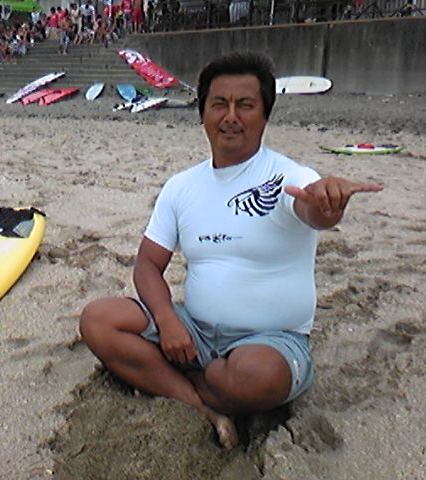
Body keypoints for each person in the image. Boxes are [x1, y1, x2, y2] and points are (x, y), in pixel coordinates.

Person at [79, 52, 383, 449]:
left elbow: (313, 210)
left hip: (271, 340)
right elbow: (148, 265)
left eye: (246, 105)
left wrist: (329, 203)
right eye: (219, 104)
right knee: (99, 319)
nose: (231, 116)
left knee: (257, 376)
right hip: (194, 332)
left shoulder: (289, 177)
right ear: (203, 113)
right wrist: (168, 320)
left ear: (265, 115)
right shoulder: (181, 187)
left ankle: (170, 382)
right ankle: (204, 404)